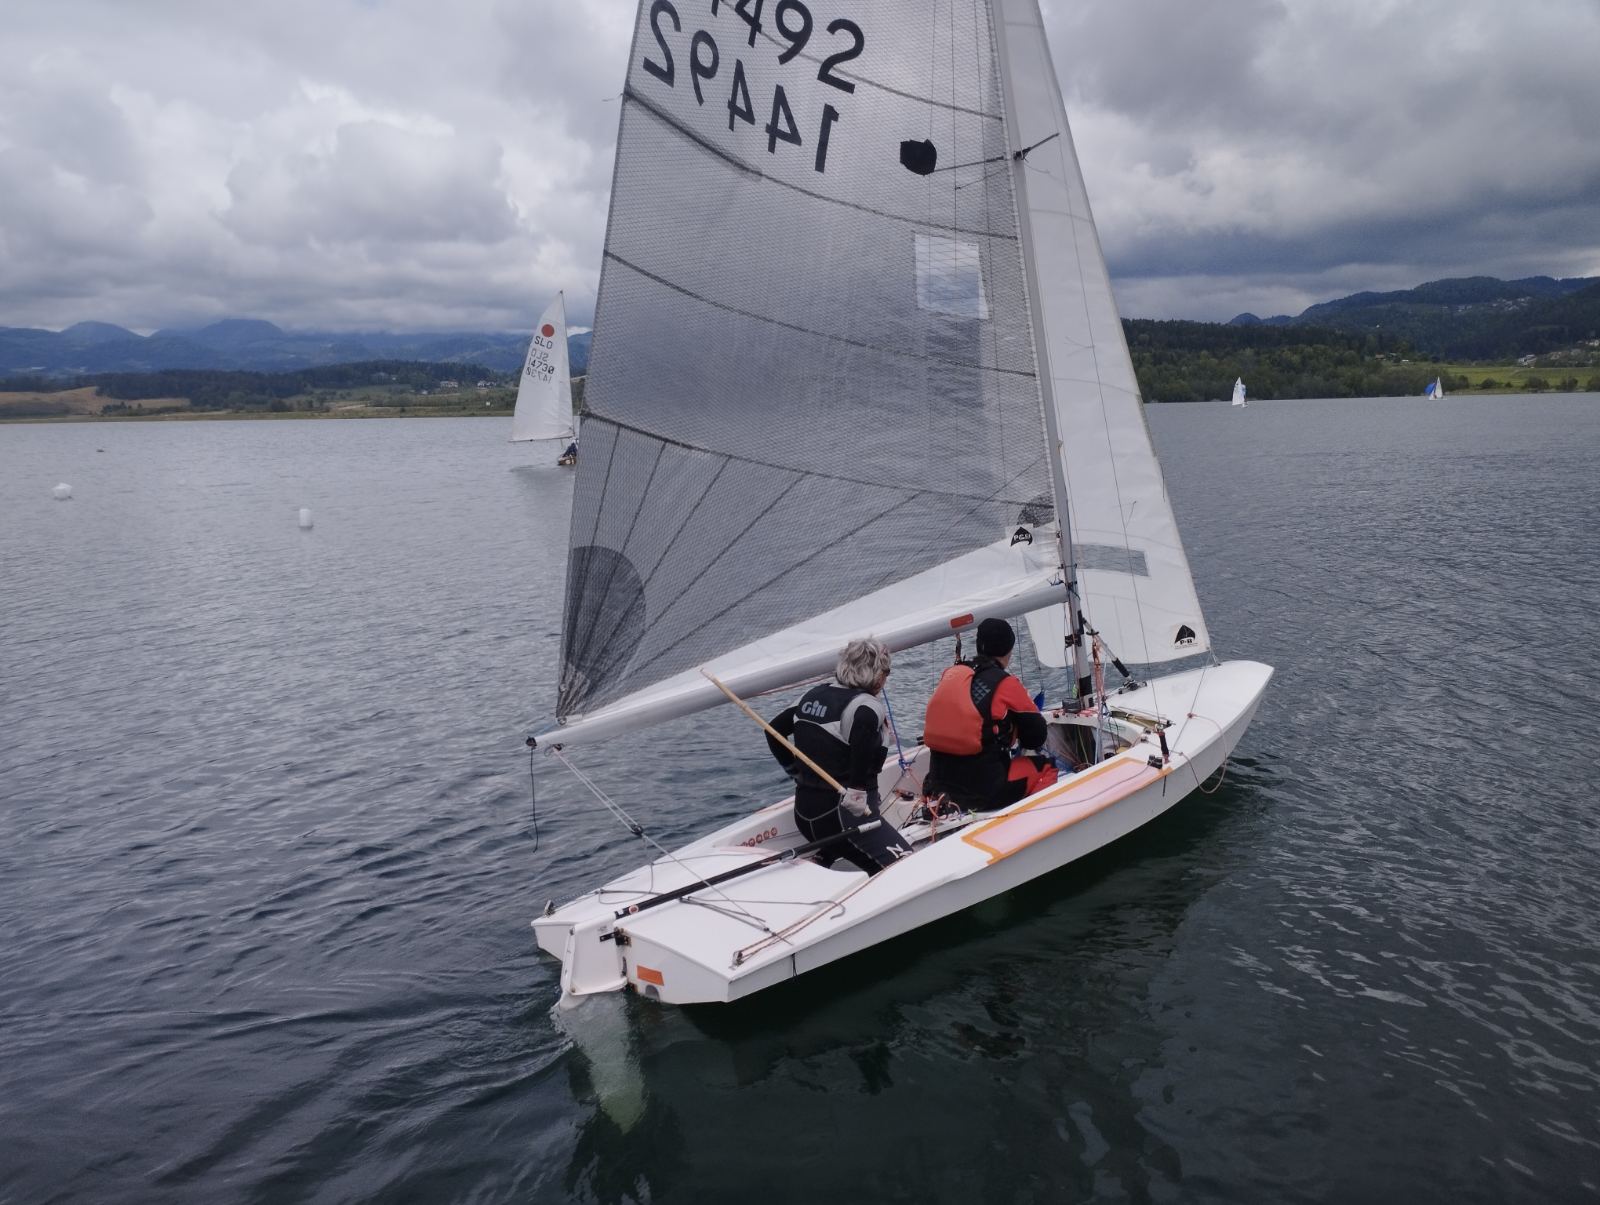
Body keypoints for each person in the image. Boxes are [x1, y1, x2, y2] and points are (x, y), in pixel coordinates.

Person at [766, 638, 911, 875]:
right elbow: (862, 747)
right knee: (907, 867)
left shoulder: (811, 696)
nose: (886, 679)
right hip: (844, 818)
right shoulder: (866, 707)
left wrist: (794, 771)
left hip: (805, 814)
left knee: (851, 845)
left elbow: (772, 731)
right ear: (877, 674)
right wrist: (857, 790)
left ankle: (827, 854)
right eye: (886, 672)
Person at [923, 618, 1054, 811]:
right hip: (983, 794)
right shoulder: (1005, 683)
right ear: (1009, 650)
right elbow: (1037, 736)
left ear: (978, 646)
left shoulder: (951, 674)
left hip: (936, 787)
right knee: (1046, 767)